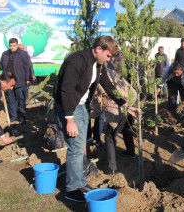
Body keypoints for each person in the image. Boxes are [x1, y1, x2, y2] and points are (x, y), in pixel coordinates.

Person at [53, 35, 139, 202]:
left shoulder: (98, 65)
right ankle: (72, 189)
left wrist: (126, 105)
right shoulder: (76, 61)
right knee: (75, 147)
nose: (109, 59)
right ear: (98, 49)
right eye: (108, 56)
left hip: (81, 106)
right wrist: (69, 119)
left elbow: (108, 86)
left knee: (78, 147)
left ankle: (80, 183)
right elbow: (66, 91)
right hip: (69, 107)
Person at [0, 38, 32, 126]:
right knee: (11, 100)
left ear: (17, 45)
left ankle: (22, 118)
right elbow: (1, 65)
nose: (12, 47)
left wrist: (28, 79)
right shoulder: (5, 54)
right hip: (8, 82)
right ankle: (13, 116)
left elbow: (27, 66)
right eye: (10, 45)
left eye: (14, 45)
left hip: (20, 81)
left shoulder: (23, 54)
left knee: (21, 100)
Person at [157, 62, 184, 129]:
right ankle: (173, 122)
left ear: (182, 70)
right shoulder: (168, 70)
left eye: (178, 73)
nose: (176, 75)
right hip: (172, 83)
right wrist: (159, 87)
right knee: (172, 101)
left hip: (183, 85)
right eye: (175, 73)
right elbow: (163, 78)